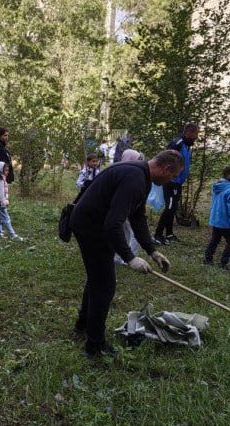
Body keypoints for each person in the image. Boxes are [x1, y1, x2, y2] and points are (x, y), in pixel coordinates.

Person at [70, 150, 181, 358]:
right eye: (172, 176)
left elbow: (137, 217)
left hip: (94, 223)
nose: (170, 180)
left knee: (98, 278)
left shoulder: (142, 176)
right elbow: (113, 223)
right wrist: (130, 258)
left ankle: (82, 325)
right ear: (166, 169)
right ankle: (95, 346)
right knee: (104, 286)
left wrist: (152, 251)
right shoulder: (135, 178)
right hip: (90, 226)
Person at [154, 123, 199, 245]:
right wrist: (168, 176)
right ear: (189, 132)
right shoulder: (177, 143)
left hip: (178, 182)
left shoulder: (187, 144)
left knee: (173, 208)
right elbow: (165, 158)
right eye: (196, 134)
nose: (197, 137)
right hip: (171, 181)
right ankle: (158, 235)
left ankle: (169, 233)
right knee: (169, 207)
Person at [204, 164, 230, 269]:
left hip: (216, 221)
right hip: (226, 223)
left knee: (214, 240)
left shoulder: (217, 187)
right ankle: (223, 263)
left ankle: (208, 259)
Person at [113, 149, 145, 265]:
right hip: (126, 210)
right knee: (134, 233)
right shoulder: (130, 174)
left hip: (121, 211)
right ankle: (129, 257)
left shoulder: (117, 170)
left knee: (124, 233)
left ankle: (119, 257)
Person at [0, 162, 23, 241]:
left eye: (8, 170)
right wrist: (3, 203)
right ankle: (13, 235)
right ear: (0, 170)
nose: (7, 172)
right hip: (0, 203)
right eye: (6, 170)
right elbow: (1, 193)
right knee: (6, 219)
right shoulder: (1, 180)